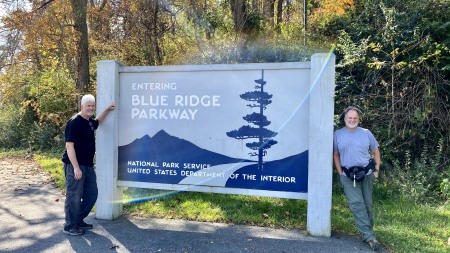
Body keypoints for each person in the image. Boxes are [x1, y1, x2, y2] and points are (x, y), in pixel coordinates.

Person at [61, 94, 115, 236]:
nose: (91, 108)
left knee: (91, 194)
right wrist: (76, 168)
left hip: (88, 165)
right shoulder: (74, 122)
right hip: (75, 166)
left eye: (92, 106)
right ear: (82, 106)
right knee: (74, 196)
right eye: (88, 105)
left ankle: (78, 220)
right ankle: (69, 226)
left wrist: (107, 109)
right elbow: (69, 146)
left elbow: (98, 122)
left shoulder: (89, 121)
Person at [333, 106, 381, 251]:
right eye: (349, 118)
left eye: (355, 118)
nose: (352, 120)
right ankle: (370, 237)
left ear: (359, 119)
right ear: (345, 119)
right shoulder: (337, 134)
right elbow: (336, 155)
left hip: (366, 174)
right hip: (348, 176)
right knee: (357, 204)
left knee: (367, 204)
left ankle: (367, 232)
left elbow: (376, 152)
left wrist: (376, 170)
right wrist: (340, 173)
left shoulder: (366, 133)